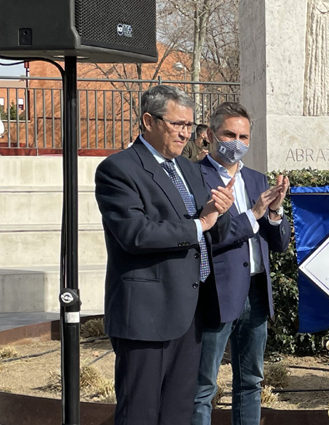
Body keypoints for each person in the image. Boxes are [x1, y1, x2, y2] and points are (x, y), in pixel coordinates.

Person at [94, 85, 235, 425]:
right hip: (146, 315)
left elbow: (210, 225)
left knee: (177, 413)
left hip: (189, 312)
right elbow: (135, 233)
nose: (186, 134)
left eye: (190, 125)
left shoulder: (187, 170)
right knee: (140, 413)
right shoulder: (119, 169)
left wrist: (221, 210)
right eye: (178, 125)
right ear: (148, 120)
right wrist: (199, 224)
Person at [192, 102, 291, 425]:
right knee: (204, 385)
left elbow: (278, 243)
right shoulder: (195, 177)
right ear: (210, 135)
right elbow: (209, 237)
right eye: (229, 134)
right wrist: (254, 215)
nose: (237, 143)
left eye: (244, 136)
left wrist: (274, 212)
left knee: (250, 381)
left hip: (256, 293)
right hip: (215, 293)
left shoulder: (258, 180)